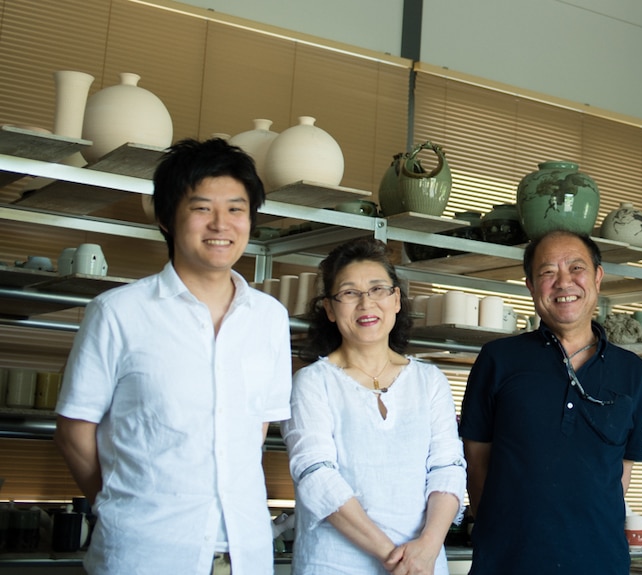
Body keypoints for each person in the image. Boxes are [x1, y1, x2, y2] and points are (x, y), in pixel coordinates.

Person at [54, 138, 293, 575]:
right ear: (166, 218)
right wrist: (117, 507)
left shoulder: (270, 318)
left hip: (245, 554)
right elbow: (74, 430)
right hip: (144, 554)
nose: (221, 224)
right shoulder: (118, 312)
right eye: (201, 208)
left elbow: (254, 428)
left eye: (236, 209)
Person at [459, 229, 642, 574]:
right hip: (507, 562)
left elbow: (621, 471)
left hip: (600, 562)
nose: (564, 282)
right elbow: (476, 465)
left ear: (598, 277)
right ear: (531, 286)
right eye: (547, 272)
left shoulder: (632, 371)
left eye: (576, 268)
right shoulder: (497, 359)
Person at [283, 238, 466, 575]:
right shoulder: (312, 382)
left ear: (396, 299)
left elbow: (448, 469)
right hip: (335, 564)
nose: (366, 303)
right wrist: (396, 559)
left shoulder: (430, 380)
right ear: (329, 308)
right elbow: (317, 477)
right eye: (349, 293)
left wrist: (426, 549)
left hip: (424, 563)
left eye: (378, 289)